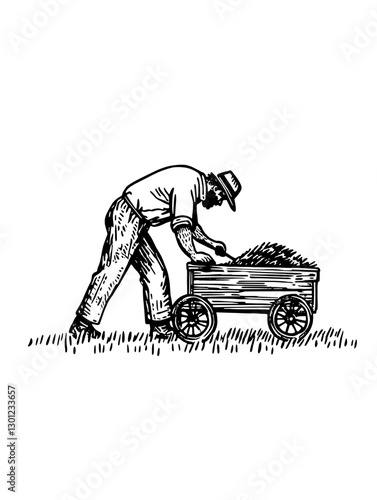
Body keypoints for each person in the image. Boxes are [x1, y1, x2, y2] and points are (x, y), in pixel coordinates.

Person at [69, 165, 242, 339]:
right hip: (126, 216)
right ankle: (81, 325)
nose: (220, 202)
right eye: (222, 197)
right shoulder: (189, 185)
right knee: (113, 269)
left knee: (156, 273)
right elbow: (182, 228)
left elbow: (192, 227)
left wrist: (212, 244)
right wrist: (193, 254)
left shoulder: (194, 186)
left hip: (137, 222)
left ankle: (160, 328)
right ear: (215, 186)